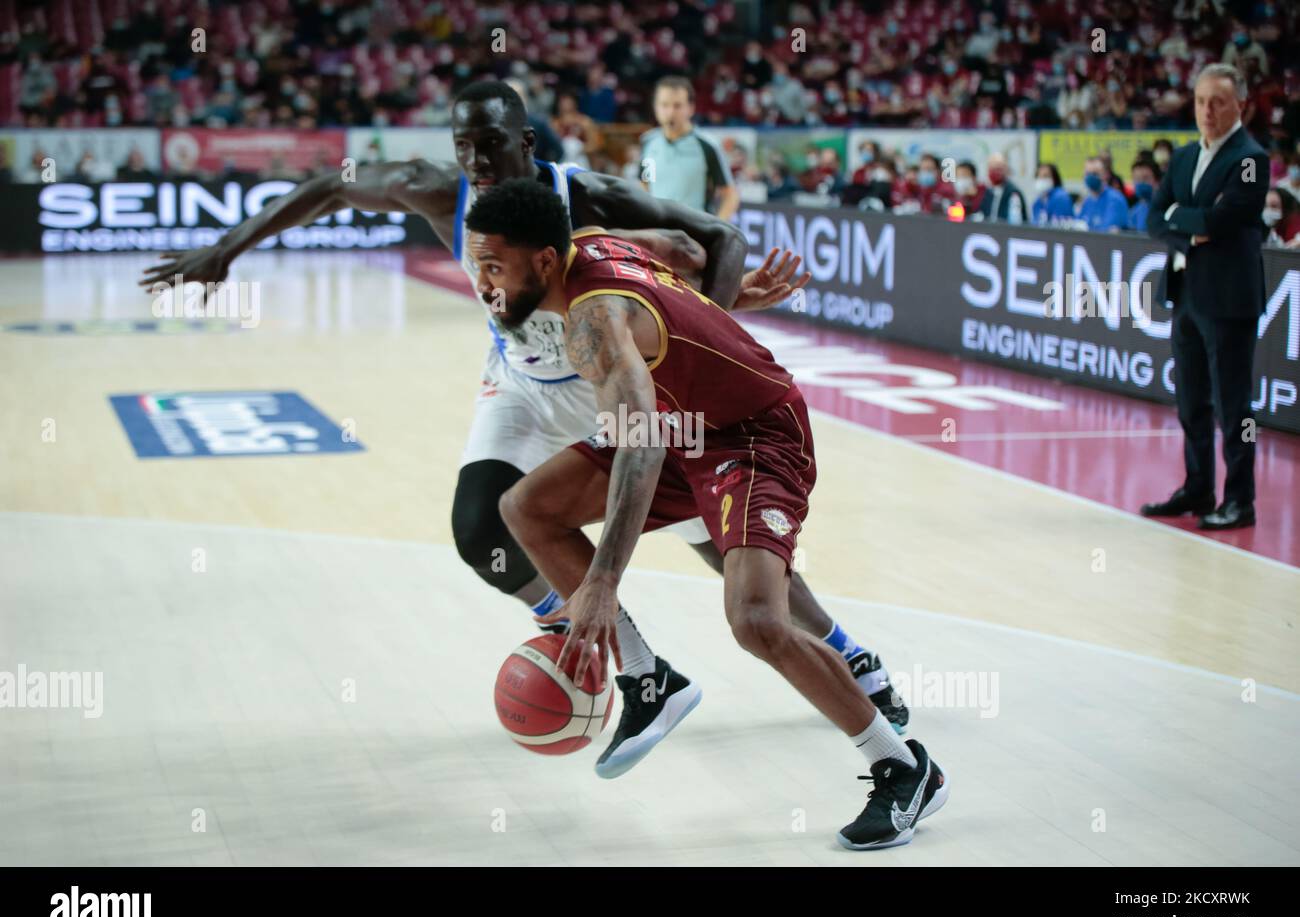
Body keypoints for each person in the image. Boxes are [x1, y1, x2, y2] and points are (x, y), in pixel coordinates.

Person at [138, 79, 910, 771]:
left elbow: (709, 241)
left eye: (490, 144)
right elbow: (324, 188)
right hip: (520, 387)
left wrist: (721, 302)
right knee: (484, 529)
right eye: (462, 144)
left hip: (613, 383)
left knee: (726, 550)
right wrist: (224, 250)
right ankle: (642, 671)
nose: (474, 159)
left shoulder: (592, 197)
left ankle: (851, 657)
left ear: (526, 144)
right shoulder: (439, 192)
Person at [467, 178, 950, 850]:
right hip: (685, 424)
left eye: (494, 266)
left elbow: (640, 446)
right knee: (526, 507)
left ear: (544, 262)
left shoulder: (592, 322)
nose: (483, 284)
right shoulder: (590, 244)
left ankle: (900, 763)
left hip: (752, 434)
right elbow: (683, 248)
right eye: (476, 264)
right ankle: (648, 679)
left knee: (756, 620)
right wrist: (721, 303)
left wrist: (603, 581)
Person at [1144, 64, 1269, 531]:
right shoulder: (1181, 157)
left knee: (1234, 406)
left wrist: (1185, 218)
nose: (1207, 110)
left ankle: (1241, 499)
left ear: (1240, 103)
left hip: (1230, 299)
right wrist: (1187, 229)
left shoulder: (1252, 157)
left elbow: (1227, 220)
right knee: (1191, 400)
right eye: (1199, 101)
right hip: (1187, 296)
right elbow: (1155, 218)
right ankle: (1199, 486)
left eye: (1217, 101)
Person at [639, 76, 739, 219]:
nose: (670, 112)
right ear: (655, 107)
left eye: (677, 106)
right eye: (664, 105)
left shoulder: (706, 146)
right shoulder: (648, 142)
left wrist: (717, 228)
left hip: (693, 234)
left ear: (691, 108)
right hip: (656, 231)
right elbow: (645, 183)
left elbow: (730, 195)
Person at [1077, 155, 1129, 232]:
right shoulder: (1087, 201)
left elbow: (1109, 232)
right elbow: (1077, 226)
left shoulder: (1115, 199)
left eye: (1095, 174)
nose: (1091, 177)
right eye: (1088, 174)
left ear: (1105, 174)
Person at [977, 152, 1026, 223]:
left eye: (999, 168)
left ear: (1006, 169)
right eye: (993, 168)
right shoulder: (985, 192)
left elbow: (1016, 221)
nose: (996, 172)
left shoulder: (1013, 193)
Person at [1128, 158, 1159, 231]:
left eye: (1145, 178)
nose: (1141, 182)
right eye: (1137, 179)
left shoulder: (1164, 208)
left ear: (1156, 181)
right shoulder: (1135, 210)